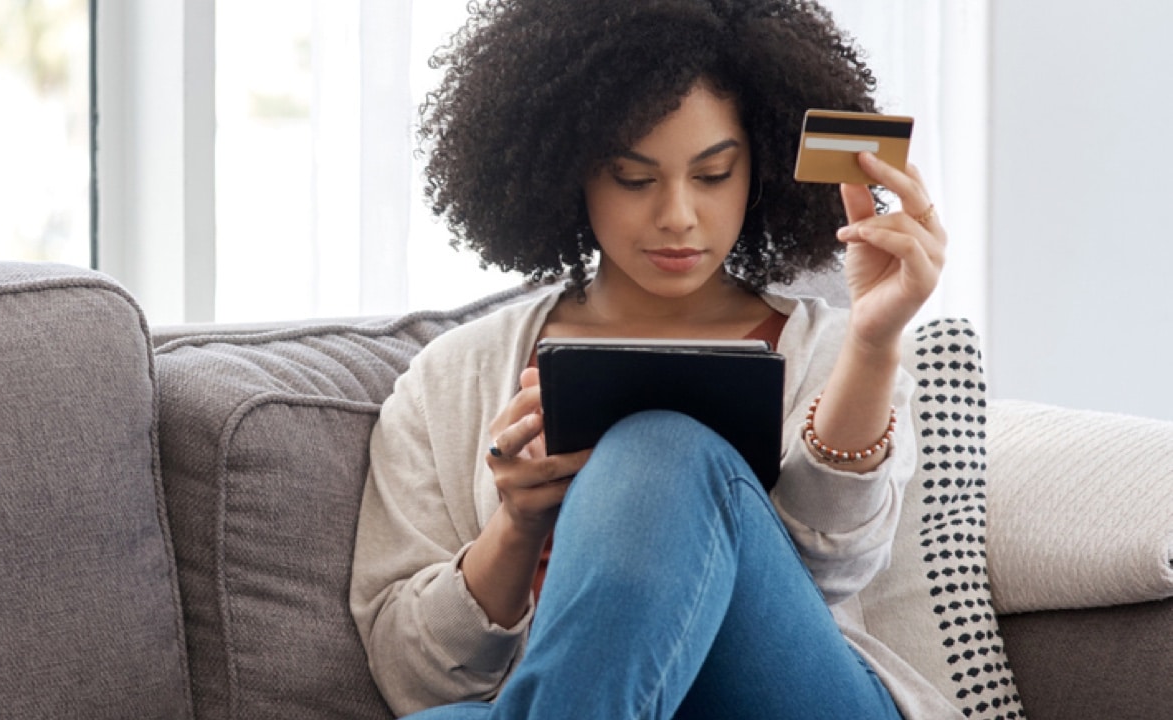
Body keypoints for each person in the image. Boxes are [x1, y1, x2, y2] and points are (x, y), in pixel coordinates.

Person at [348, 1, 961, 718]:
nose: (677, 215)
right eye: (635, 179)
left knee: (660, 449)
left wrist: (873, 339)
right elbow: (412, 675)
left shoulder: (834, 350)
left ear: (758, 174)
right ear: (571, 174)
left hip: (792, 697)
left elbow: (831, 568)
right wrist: (514, 525)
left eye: (713, 175)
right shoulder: (451, 380)